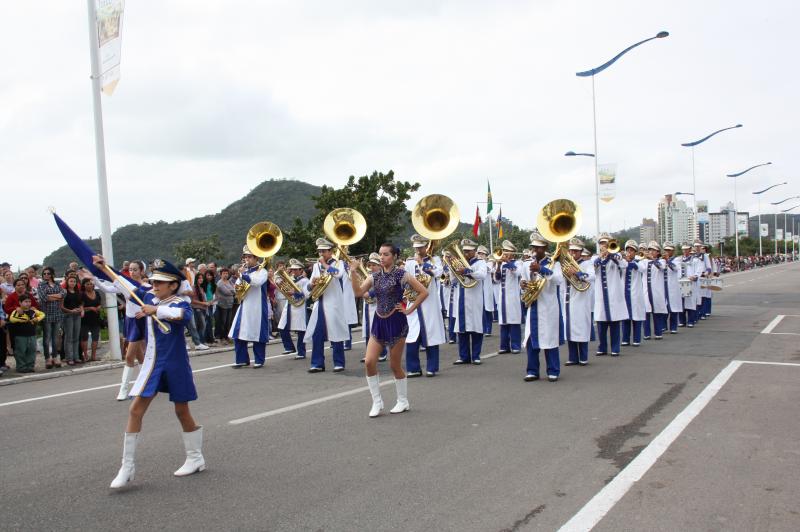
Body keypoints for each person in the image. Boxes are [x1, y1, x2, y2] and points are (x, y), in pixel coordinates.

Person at [92, 256, 205, 489]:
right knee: (135, 410)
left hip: (175, 364)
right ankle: (127, 467)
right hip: (153, 363)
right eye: (153, 281)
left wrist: (157, 310)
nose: (154, 285)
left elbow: (181, 316)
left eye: (160, 282)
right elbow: (123, 282)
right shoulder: (146, 296)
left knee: (182, 411)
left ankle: (195, 458)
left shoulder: (180, 303)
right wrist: (104, 267)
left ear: (173, 285)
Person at [350, 243, 428, 417]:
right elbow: (358, 293)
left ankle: (402, 400)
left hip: (396, 321)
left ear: (394, 256)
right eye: (380, 254)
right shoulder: (374, 276)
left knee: (394, 365)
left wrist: (409, 309)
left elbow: (423, 292)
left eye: (385, 254)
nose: (382, 257)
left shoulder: (402, 274)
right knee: (370, 361)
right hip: (379, 321)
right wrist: (353, 272)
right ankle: (377, 402)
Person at [93, 261, 152, 398]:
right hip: (130, 320)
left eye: (135, 269)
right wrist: (94, 279)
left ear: (142, 271)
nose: (132, 272)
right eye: (130, 269)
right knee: (139, 355)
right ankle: (146, 383)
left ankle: (124, 390)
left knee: (130, 355)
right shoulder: (127, 285)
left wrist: (145, 312)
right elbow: (109, 289)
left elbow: (154, 302)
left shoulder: (148, 287)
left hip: (141, 321)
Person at [522, 231, 564, 381]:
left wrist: (541, 269)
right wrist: (523, 284)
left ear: (545, 247)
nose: (535, 250)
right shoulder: (527, 264)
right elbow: (524, 282)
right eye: (533, 247)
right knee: (531, 340)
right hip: (533, 306)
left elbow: (558, 279)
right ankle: (532, 370)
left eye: (538, 248)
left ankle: (553, 370)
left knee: (550, 339)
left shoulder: (554, 263)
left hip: (548, 307)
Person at [304, 238, 350, 372]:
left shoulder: (339, 262)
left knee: (336, 333)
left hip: (334, 304)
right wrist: (312, 284)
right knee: (317, 334)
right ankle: (317, 363)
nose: (321, 254)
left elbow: (338, 274)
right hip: (320, 304)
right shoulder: (316, 266)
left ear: (331, 251)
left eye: (323, 251)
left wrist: (325, 264)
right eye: (319, 252)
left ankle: (339, 362)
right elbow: (309, 286)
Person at [404, 234, 446, 377]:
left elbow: (439, 273)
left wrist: (423, 264)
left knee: (431, 334)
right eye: (416, 248)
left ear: (426, 246)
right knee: (412, 335)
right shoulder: (409, 262)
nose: (418, 250)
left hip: (430, 303)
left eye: (421, 247)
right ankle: (413, 368)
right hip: (414, 302)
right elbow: (405, 279)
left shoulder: (435, 260)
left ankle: (432, 367)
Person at [229, 245, 271, 368]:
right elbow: (236, 288)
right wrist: (238, 284)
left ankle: (259, 360)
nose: (246, 259)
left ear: (256, 258)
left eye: (249, 257)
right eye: (245, 257)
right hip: (244, 307)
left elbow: (257, 282)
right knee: (238, 334)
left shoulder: (262, 271)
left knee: (257, 334)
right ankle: (242, 359)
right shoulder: (244, 271)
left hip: (257, 307)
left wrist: (243, 276)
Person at [450, 239, 488, 365]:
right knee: (462, 329)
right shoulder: (460, 263)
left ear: (474, 251)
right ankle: (463, 356)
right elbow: (453, 281)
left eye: (468, 251)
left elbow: (482, 275)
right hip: (461, 299)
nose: (466, 254)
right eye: (464, 251)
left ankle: (476, 356)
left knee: (476, 327)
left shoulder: (480, 262)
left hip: (475, 299)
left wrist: (467, 272)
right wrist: (453, 269)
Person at [593, 233, 628, 356]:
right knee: (601, 324)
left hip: (613, 295)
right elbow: (592, 271)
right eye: (602, 243)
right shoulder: (595, 259)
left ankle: (615, 348)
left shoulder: (616, 256)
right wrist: (600, 258)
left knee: (614, 323)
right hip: (601, 296)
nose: (604, 245)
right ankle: (602, 347)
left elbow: (624, 265)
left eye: (606, 243)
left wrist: (612, 255)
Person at [562, 238, 594, 365]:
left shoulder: (587, 264)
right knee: (569, 328)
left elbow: (592, 276)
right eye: (571, 251)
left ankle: (583, 357)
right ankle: (572, 357)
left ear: (581, 252)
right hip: (568, 299)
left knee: (581, 327)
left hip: (581, 300)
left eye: (576, 251)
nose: (573, 253)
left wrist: (578, 273)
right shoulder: (566, 264)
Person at [493, 240, 524, 355]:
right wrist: (499, 265)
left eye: (507, 252)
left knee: (514, 321)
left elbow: (518, 273)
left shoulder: (518, 263)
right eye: (504, 251)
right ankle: (504, 346)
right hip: (502, 297)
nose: (504, 254)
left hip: (513, 297)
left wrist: (508, 263)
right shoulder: (500, 264)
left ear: (513, 253)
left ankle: (516, 346)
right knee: (503, 322)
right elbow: (496, 279)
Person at [276, 259, 309, 359]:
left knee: (300, 330)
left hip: (299, 307)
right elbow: (278, 283)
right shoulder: (289, 278)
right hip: (289, 305)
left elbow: (307, 295)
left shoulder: (305, 281)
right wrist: (279, 279)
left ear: (301, 270)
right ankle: (289, 347)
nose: (293, 272)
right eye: (292, 270)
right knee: (282, 327)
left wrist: (294, 293)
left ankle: (301, 352)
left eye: (296, 270)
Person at [37, 267, 65, 368]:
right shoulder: (41, 285)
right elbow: (44, 298)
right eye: (44, 274)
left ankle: (55, 357)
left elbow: (63, 294)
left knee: (55, 337)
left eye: (48, 273)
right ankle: (47, 358)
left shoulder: (58, 284)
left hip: (57, 313)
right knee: (47, 337)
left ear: (52, 274)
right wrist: (57, 296)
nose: (46, 275)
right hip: (46, 314)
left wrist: (52, 296)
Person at [8, 295, 44, 373]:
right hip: (20, 336)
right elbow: (12, 319)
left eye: (29, 301)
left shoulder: (33, 311)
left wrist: (36, 319)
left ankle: (30, 366)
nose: (28, 303)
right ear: (20, 303)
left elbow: (42, 314)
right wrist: (25, 319)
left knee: (31, 351)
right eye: (25, 302)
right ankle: (21, 367)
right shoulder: (17, 311)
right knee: (20, 352)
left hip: (32, 335)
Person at [621, 240, 646, 347]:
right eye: (628, 250)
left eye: (632, 250)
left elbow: (641, 269)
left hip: (636, 294)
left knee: (637, 317)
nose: (629, 252)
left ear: (635, 252)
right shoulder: (622, 262)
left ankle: (636, 339)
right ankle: (625, 339)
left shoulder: (640, 261)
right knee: (625, 317)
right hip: (624, 293)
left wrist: (629, 262)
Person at [642, 241, 668, 340]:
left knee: (657, 313)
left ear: (658, 252)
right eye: (650, 250)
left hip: (657, 291)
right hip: (646, 291)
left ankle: (658, 333)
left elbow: (661, 267)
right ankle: (647, 334)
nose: (651, 252)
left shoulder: (662, 261)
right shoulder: (644, 261)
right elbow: (639, 267)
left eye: (653, 250)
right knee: (646, 313)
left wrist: (652, 259)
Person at [60, 274, 83, 365]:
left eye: (74, 281)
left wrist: (80, 309)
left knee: (76, 337)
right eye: (71, 281)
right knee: (68, 337)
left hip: (77, 316)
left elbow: (80, 303)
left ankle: (76, 357)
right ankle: (69, 357)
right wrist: (70, 311)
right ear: (67, 282)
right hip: (68, 316)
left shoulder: (78, 293)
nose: (72, 283)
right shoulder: (64, 292)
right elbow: (61, 306)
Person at [80, 278, 103, 361]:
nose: (89, 285)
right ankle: (85, 355)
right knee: (84, 337)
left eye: (90, 284)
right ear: (84, 285)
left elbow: (100, 303)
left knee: (95, 337)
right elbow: (81, 307)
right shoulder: (82, 294)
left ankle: (93, 356)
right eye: (87, 284)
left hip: (95, 318)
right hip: (85, 319)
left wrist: (99, 307)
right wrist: (90, 308)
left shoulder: (96, 292)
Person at [662, 242, 683, 334]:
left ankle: (673, 327)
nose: (667, 252)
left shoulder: (677, 259)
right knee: (663, 308)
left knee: (673, 308)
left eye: (669, 250)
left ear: (673, 251)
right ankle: (663, 326)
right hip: (662, 286)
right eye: (665, 250)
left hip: (672, 287)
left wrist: (667, 261)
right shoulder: (661, 260)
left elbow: (675, 268)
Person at [679, 243, 701, 328]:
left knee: (690, 302)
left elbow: (698, 270)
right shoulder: (679, 259)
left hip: (691, 283)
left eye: (686, 249)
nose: (685, 251)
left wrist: (695, 276)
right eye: (683, 249)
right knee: (681, 302)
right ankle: (682, 321)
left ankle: (691, 321)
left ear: (690, 249)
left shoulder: (695, 260)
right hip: (681, 282)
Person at [476, 245, 495, 337]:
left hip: (487, 290)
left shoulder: (489, 263)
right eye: (479, 253)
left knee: (487, 310)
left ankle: (489, 329)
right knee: (480, 310)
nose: (480, 255)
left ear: (486, 255)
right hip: (479, 290)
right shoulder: (477, 263)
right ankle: (482, 328)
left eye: (482, 254)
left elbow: (489, 270)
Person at [214, 268, 235, 344]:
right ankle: (222, 337)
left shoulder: (229, 281)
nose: (226, 275)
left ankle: (227, 337)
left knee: (228, 322)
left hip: (230, 304)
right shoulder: (220, 283)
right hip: (223, 305)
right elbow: (227, 292)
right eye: (224, 273)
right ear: (220, 274)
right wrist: (232, 291)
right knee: (223, 322)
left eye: (227, 273)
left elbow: (234, 290)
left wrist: (232, 291)